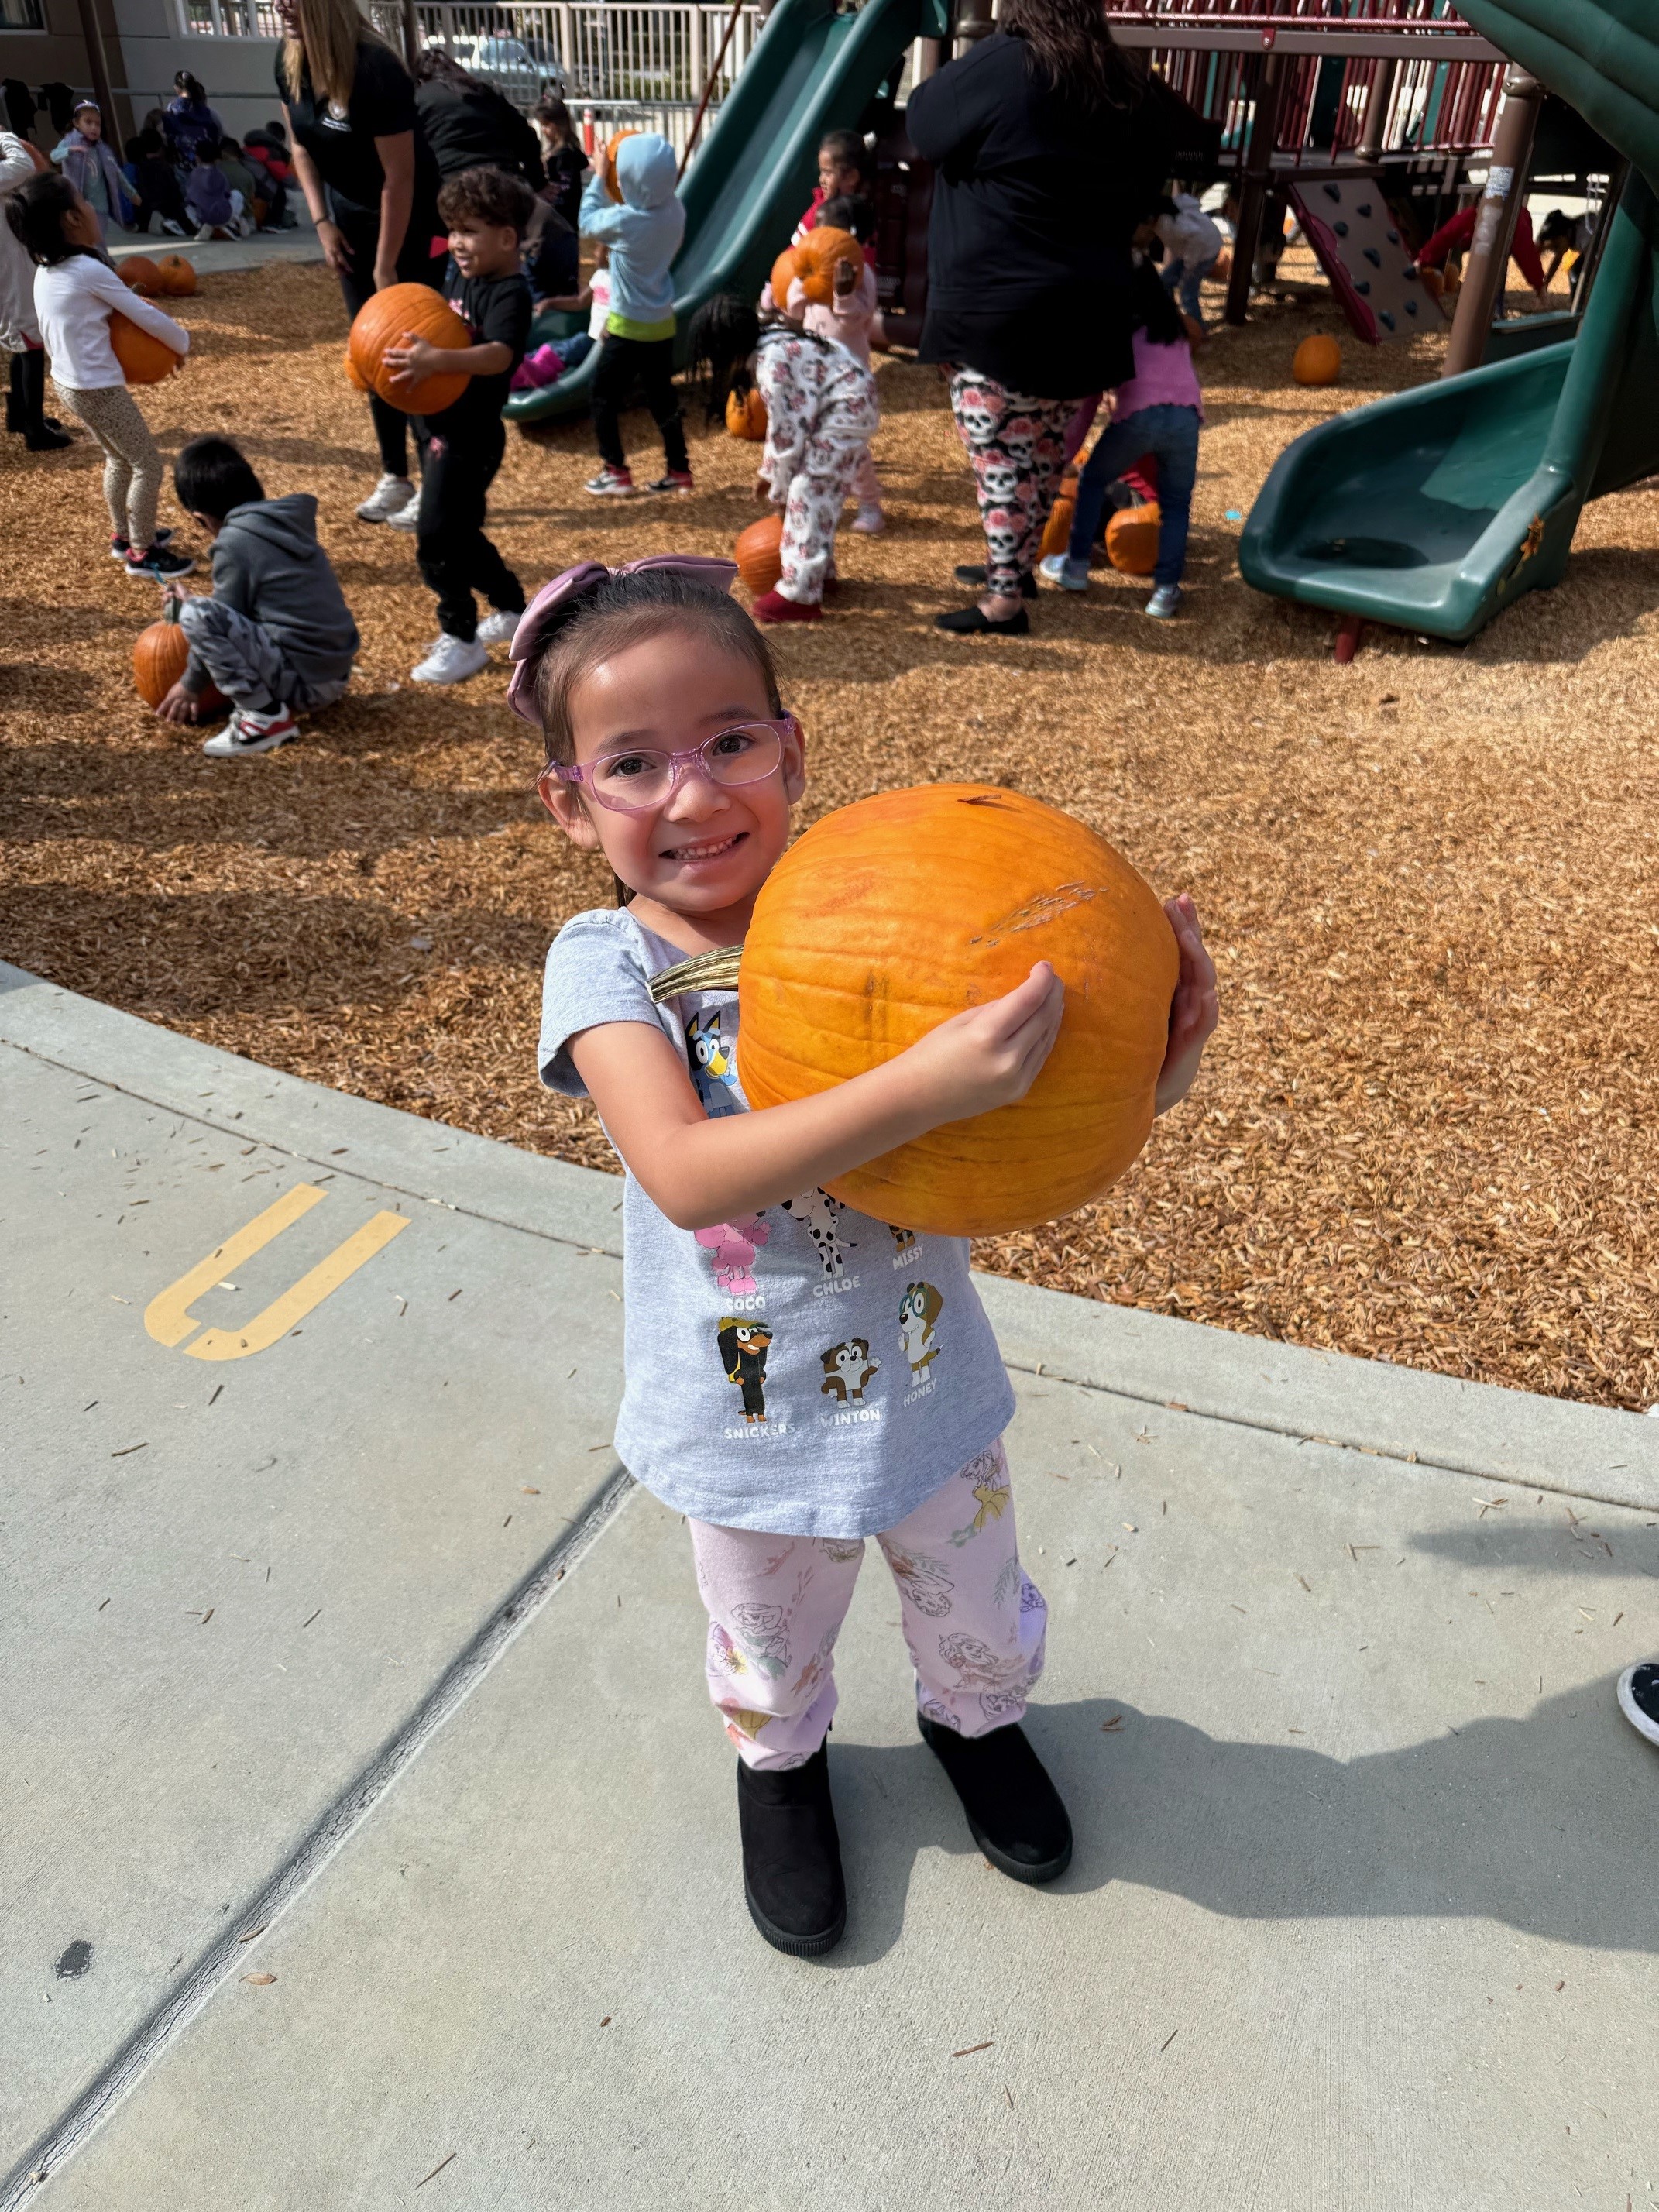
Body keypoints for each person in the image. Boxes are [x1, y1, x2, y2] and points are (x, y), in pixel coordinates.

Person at [522, 558, 1219, 1954]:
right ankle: (779, 1774)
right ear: (571, 799)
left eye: (730, 742)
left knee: (975, 1598)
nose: (695, 794)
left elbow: (1026, 1135)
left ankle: (977, 1724)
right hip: (744, 1417)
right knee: (770, 1641)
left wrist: (1160, 1058)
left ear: (793, 746)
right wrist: (921, 1089)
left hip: (926, 1383)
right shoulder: (606, 967)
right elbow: (681, 1169)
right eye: (634, 763)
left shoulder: (891, 904)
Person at [907, 0, 1170, 635]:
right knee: (1045, 449)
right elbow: (1164, 160)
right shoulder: (1122, 79)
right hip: (1092, 305)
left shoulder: (1005, 64)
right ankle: (1017, 567)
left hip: (1001, 303)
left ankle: (1004, 601)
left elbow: (925, 125)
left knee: (999, 456)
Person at [275, 0, 444, 524]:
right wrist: (322, 222)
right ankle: (395, 475)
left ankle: (433, 483)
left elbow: (401, 179)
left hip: (408, 224)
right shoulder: (289, 59)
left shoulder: (375, 68)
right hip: (348, 221)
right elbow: (300, 147)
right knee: (370, 352)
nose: (279, 7)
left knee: (407, 354)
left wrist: (387, 266)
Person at [383, 165, 533, 685]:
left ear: (507, 238)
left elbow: (499, 355)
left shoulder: (509, 292)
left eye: (470, 231)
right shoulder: (461, 274)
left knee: (434, 537)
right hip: (439, 428)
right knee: (461, 532)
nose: (457, 243)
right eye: (453, 230)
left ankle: (461, 637)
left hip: (469, 436)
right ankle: (514, 610)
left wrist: (438, 361)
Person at [7, 170, 193, 573]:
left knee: (117, 457)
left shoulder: (47, 271)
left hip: (70, 385)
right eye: (84, 202)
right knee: (147, 463)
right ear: (72, 219)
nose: (91, 207)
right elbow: (142, 314)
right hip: (98, 388)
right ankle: (142, 552)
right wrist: (181, 344)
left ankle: (122, 535)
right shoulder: (88, 272)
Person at [154, 434, 359, 759]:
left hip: (305, 688)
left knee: (197, 616)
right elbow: (250, 609)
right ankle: (268, 708)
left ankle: (264, 718)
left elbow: (218, 616)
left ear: (200, 518)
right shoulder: (284, 525)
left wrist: (190, 684)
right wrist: (195, 599)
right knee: (200, 610)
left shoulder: (234, 543)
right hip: (334, 673)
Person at [688, 289, 877, 625]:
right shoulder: (773, 341)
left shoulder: (772, 364)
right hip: (851, 403)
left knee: (808, 491)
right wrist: (771, 473)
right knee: (823, 492)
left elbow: (788, 435)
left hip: (842, 410)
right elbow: (789, 429)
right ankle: (822, 573)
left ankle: (800, 593)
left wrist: (780, 490)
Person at [1039, 253, 1200, 617]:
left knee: (1092, 479)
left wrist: (1060, 456)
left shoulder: (1114, 332)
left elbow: (1088, 402)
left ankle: (1076, 567)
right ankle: (1165, 593)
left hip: (1140, 417)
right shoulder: (1171, 327)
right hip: (1186, 419)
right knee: (1176, 506)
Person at [579, 131, 689, 498]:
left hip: (628, 328)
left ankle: (616, 470)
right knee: (662, 399)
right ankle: (679, 470)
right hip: (661, 324)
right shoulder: (675, 211)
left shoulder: (625, 222)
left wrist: (599, 174)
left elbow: (587, 221)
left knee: (601, 395)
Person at [775, 189, 884, 534]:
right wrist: (803, 288)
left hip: (849, 377)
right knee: (811, 442)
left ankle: (870, 505)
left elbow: (858, 320)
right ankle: (819, 503)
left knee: (852, 445)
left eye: (825, 233)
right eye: (814, 232)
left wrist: (844, 293)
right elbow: (792, 310)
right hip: (812, 373)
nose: (815, 240)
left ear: (847, 236)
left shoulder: (862, 273)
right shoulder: (809, 271)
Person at [2, 129, 70, 451]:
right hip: (9, 275)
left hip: (11, 269)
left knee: (21, 341)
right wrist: (5, 137)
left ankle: (20, 414)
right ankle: (34, 429)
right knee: (30, 344)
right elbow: (22, 165)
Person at [414, 47, 543, 185]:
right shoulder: (485, 92)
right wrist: (538, 182)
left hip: (451, 189)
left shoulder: (418, 100)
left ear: (421, 79)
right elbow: (526, 139)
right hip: (503, 183)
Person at [1414, 197, 1547, 301]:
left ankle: (1495, 305)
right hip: (1481, 236)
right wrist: (1422, 259)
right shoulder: (1470, 216)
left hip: (1505, 240)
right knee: (1484, 261)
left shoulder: (1515, 225)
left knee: (1498, 269)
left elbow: (1528, 255)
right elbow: (1445, 236)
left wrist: (1539, 285)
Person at [51, 101, 134, 240]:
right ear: (76, 123)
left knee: (98, 238)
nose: (94, 128)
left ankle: (101, 258)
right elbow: (54, 156)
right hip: (78, 203)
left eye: (98, 124)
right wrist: (69, 150)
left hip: (99, 205)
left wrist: (131, 193)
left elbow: (116, 172)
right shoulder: (69, 142)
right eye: (88, 122)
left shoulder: (102, 149)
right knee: (80, 237)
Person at [792, 128, 874, 259]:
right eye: (821, 172)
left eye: (828, 173)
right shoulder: (819, 213)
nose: (821, 179)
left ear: (852, 177)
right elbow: (794, 256)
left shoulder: (866, 214)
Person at [1152, 187, 1224, 328]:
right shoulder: (1173, 211)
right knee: (1165, 282)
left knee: (1188, 293)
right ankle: (1170, 316)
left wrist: (1189, 268)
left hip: (1204, 252)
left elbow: (1195, 239)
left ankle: (1199, 330)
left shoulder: (1168, 225)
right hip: (1204, 244)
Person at [531, 93, 587, 228]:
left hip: (562, 219)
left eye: (545, 125)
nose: (543, 130)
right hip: (563, 219)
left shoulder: (565, 155)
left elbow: (564, 189)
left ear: (558, 125)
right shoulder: (562, 151)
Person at [124, 127, 189, 236]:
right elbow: (175, 192)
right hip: (167, 208)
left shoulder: (140, 168)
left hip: (147, 210)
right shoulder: (165, 167)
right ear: (160, 147)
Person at [163, 73, 223, 177]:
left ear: (176, 88)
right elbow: (218, 133)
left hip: (183, 160)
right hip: (205, 160)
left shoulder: (172, 108)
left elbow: (168, 133)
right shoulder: (206, 111)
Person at [186, 139, 242, 239]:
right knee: (237, 194)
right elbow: (227, 194)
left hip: (203, 217)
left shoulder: (194, 175)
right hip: (223, 215)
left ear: (197, 157)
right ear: (216, 159)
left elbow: (191, 198)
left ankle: (201, 226)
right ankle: (231, 224)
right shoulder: (220, 174)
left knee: (187, 206)